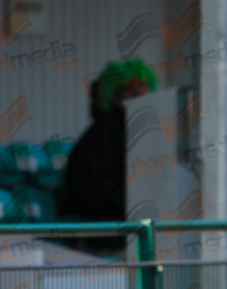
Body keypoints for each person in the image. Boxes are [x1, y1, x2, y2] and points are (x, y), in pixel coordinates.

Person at [60, 60, 157, 254]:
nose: (140, 95)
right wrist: (131, 203)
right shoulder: (100, 137)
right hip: (110, 240)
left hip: (140, 234)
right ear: (115, 96)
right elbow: (90, 190)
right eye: (132, 91)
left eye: (144, 88)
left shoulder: (150, 132)